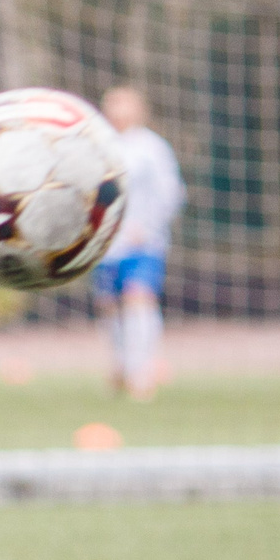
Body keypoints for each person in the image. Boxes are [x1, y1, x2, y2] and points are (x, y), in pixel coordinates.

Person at [98, 85, 185, 400]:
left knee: (139, 299)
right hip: (104, 244)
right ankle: (121, 365)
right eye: (112, 104)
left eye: (123, 103)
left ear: (138, 109)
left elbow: (170, 192)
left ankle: (142, 371)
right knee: (109, 306)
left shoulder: (152, 147)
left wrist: (147, 227)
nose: (117, 110)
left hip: (142, 242)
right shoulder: (97, 145)